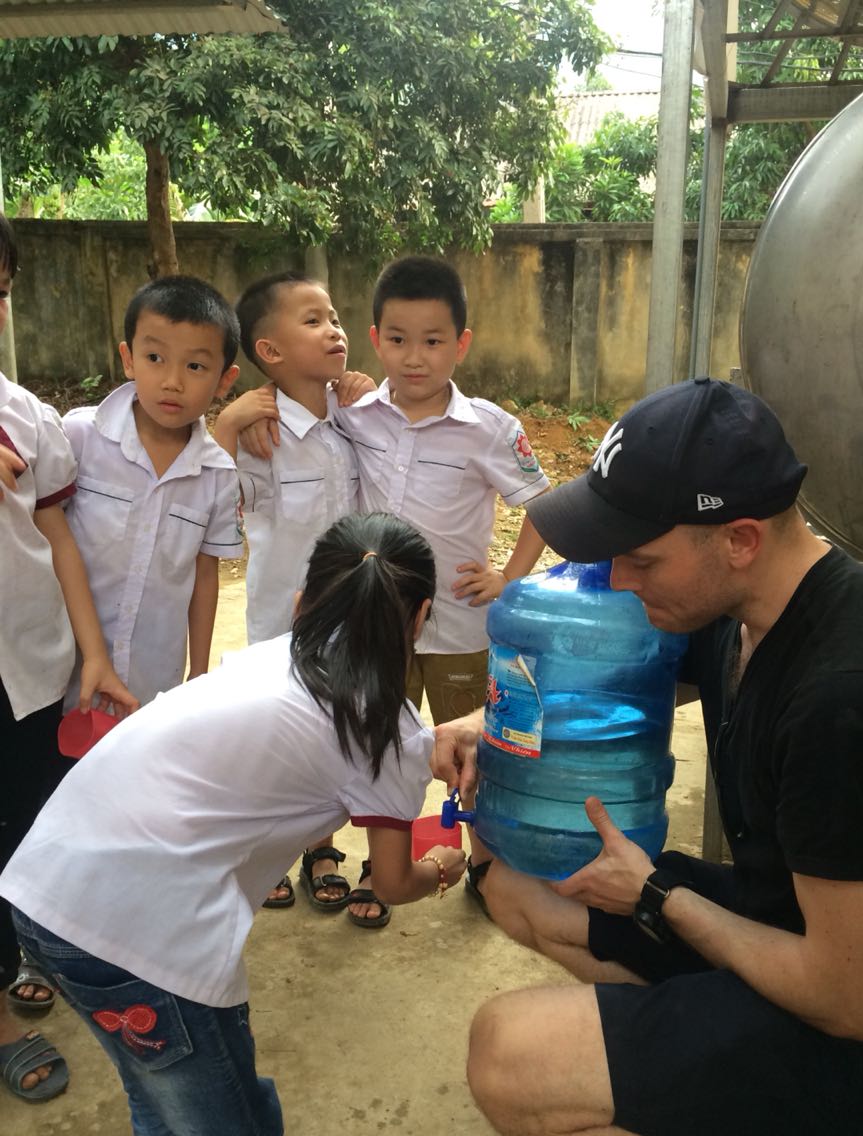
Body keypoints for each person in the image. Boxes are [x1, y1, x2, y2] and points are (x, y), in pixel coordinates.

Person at [433, 378, 863, 1136]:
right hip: (789, 929)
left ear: (741, 541)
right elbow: (606, 684)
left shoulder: (853, 698)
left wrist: (659, 896)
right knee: (515, 881)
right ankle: (700, 1059)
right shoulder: (739, 610)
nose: (621, 587)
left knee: (507, 1064)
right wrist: (492, 729)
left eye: (639, 561)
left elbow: (852, 1002)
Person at [0, 511, 466, 1136]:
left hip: (47, 899)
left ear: (300, 602)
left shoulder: (270, 660)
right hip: (143, 944)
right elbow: (390, 881)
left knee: (158, 1094)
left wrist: (427, 749)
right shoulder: (384, 727)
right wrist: (442, 866)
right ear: (420, 621)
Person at [236, 256, 552, 922]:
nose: (415, 358)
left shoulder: (489, 427)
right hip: (379, 629)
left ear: (461, 344)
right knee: (385, 747)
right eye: (399, 340)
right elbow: (296, 416)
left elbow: (543, 504)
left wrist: (508, 576)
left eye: (434, 341)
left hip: (462, 624)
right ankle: (386, 870)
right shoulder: (353, 415)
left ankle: (487, 866)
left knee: (474, 744)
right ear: (376, 338)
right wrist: (243, 415)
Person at [0, 212, 137, 1098]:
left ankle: (24, 954)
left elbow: (55, 536)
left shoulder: (26, 416)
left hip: (30, 672)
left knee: (27, 830)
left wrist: (90, 652)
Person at [214, 272, 373, 914]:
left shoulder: (357, 419)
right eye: (312, 320)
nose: (333, 329)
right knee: (281, 734)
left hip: (354, 616)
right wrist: (227, 425)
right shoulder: (262, 433)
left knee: (339, 731)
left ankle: (323, 847)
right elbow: (215, 508)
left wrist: (362, 397)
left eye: (334, 317)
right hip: (283, 621)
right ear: (269, 352)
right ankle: (275, 847)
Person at [59, 275, 243, 712]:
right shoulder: (79, 438)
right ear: (128, 358)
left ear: (224, 380)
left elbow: (204, 577)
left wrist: (198, 675)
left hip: (151, 680)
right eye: (155, 357)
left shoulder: (217, 474)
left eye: (195, 366)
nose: (172, 381)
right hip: (62, 671)